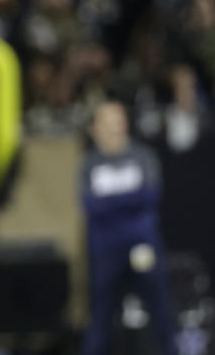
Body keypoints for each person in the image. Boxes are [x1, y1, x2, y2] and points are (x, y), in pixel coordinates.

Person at [80, 100, 178, 355]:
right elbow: (91, 207)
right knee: (100, 320)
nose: (113, 128)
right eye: (106, 122)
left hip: (143, 247)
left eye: (117, 121)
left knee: (161, 317)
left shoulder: (143, 157)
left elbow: (151, 197)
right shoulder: (88, 164)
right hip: (105, 253)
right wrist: (130, 200)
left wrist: (111, 202)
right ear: (94, 128)